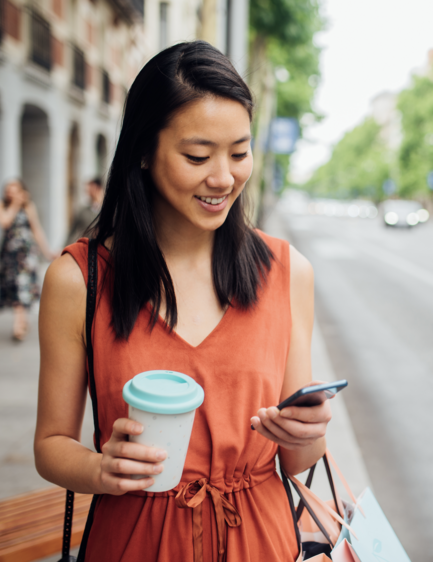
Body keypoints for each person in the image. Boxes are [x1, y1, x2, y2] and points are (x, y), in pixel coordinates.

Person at [34, 41, 330, 561]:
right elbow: (51, 444)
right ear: (144, 151)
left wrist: (308, 433)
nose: (223, 178)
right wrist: (100, 469)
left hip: (261, 542)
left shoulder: (288, 272)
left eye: (239, 153)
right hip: (133, 541)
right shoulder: (79, 280)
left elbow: (296, 461)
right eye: (198, 156)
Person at [0, 179, 56, 341]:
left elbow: (36, 229)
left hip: (27, 255)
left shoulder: (29, 206)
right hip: (10, 256)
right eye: (9, 191)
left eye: (15, 190)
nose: (12, 193)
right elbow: (5, 222)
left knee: (23, 286)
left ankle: (18, 326)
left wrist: (47, 252)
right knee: (15, 287)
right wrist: (15, 204)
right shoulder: (4, 205)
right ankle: (22, 322)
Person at [66, 178, 104, 246]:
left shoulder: (108, 212)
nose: (88, 191)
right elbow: (72, 232)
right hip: (85, 249)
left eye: (91, 187)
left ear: (98, 188)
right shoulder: (82, 212)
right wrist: (65, 247)